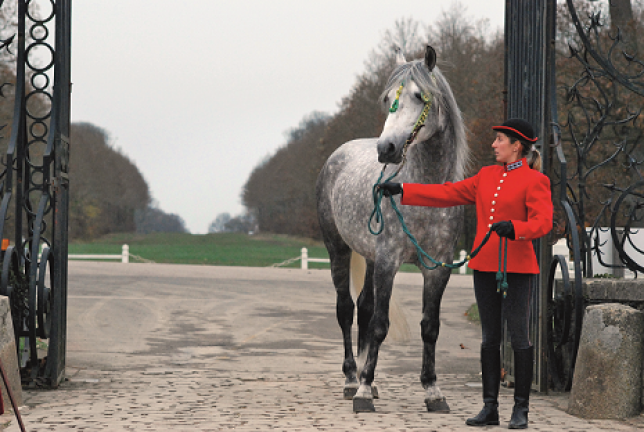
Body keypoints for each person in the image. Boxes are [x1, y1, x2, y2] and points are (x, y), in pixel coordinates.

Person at [378, 118, 553, 429]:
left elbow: (543, 223)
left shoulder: (535, 180)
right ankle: (490, 408)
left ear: (517, 146)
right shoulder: (485, 176)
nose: (493, 144)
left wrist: (516, 228)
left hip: (517, 269)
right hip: (485, 265)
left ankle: (521, 410)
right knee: (489, 339)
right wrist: (402, 189)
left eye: (500, 140)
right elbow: (448, 193)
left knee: (520, 338)